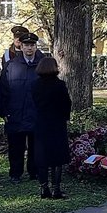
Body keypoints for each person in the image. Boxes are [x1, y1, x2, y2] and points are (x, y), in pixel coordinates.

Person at [0, 32, 42, 183]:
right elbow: (2, 90)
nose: (29, 48)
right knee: (16, 146)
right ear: (21, 47)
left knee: (36, 146)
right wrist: (4, 112)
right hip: (15, 113)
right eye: (26, 45)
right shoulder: (11, 66)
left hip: (37, 113)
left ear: (36, 47)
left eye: (32, 45)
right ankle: (15, 173)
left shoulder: (43, 65)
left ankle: (34, 172)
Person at [32, 57, 72, 199]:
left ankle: (44, 188)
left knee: (42, 157)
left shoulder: (35, 85)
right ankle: (56, 189)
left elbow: (33, 103)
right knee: (57, 157)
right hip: (57, 123)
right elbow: (66, 103)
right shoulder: (59, 85)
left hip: (41, 123)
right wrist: (65, 116)